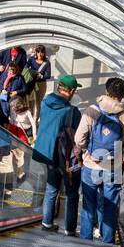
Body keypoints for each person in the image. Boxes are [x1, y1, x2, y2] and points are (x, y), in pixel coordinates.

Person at [74, 77, 124, 243]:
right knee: (110, 206)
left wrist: (86, 151)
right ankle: (107, 242)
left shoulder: (92, 110)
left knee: (88, 204)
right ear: (122, 96)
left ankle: (85, 240)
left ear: (106, 91)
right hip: (113, 168)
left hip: (91, 165)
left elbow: (79, 139)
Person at [35, 74, 83, 233]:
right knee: (71, 193)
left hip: (48, 154)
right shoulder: (73, 111)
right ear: (72, 90)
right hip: (66, 157)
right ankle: (70, 229)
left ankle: (47, 223)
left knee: (51, 188)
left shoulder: (45, 103)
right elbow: (79, 138)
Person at [0, 45, 30, 119]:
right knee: (4, 112)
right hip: (5, 97)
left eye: (13, 70)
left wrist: (16, 92)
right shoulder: (5, 75)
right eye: (11, 70)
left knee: (13, 114)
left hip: (14, 99)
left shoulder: (20, 78)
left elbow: (23, 64)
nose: (12, 71)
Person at [8, 93, 36, 185]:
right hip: (15, 132)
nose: (12, 108)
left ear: (19, 106)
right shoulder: (13, 111)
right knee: (16, 154)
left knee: (26, 154)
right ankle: (18, 173)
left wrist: (34, 135)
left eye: (13, 106)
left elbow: (33, 123)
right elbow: (11, 121)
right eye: (11, 107)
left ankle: (25, 172)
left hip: (26, 134)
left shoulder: (27, 112)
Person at [30, 45, 52, 124]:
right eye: (38, 52)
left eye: (42, 52)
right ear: (36, 52)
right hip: (32, 83)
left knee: (38, 103)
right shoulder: (31, 59)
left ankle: (35, 121)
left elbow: (48, 75)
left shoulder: (47, 62)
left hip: (41, 84)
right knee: (30, 101)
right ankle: (29, 118)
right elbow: (26, 67)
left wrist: (41, 76)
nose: (40, 54)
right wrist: (31, 72)